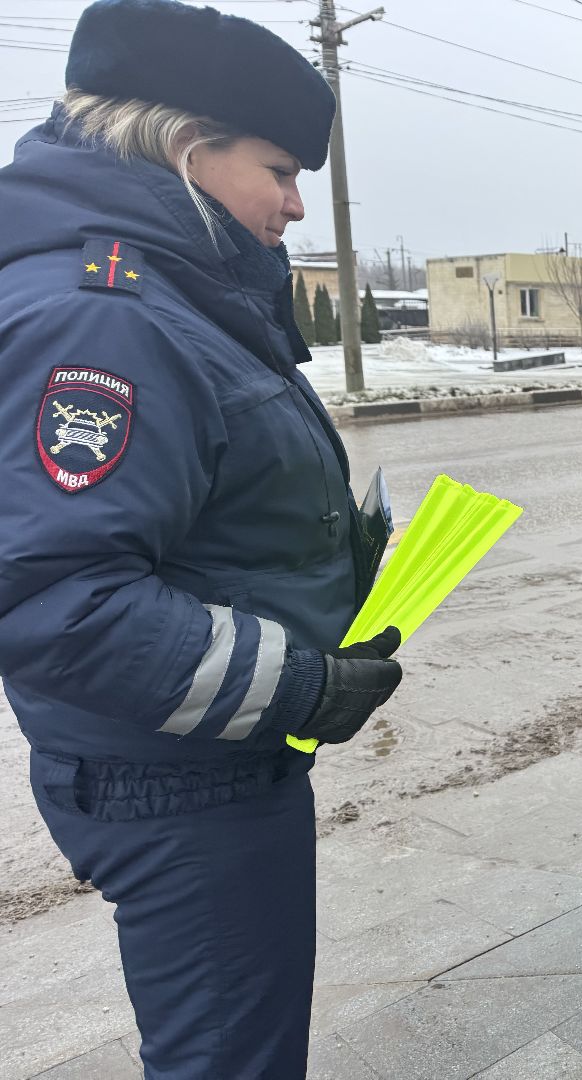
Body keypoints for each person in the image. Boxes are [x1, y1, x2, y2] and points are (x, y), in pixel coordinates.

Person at [0, 2, 403, 1075]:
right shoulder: (109, 318)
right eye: (278, 169)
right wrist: (304, 685)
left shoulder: (178, 292)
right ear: (188, 147)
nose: (296, 200)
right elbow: (53, 601)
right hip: (181, 780)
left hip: (203, 760)